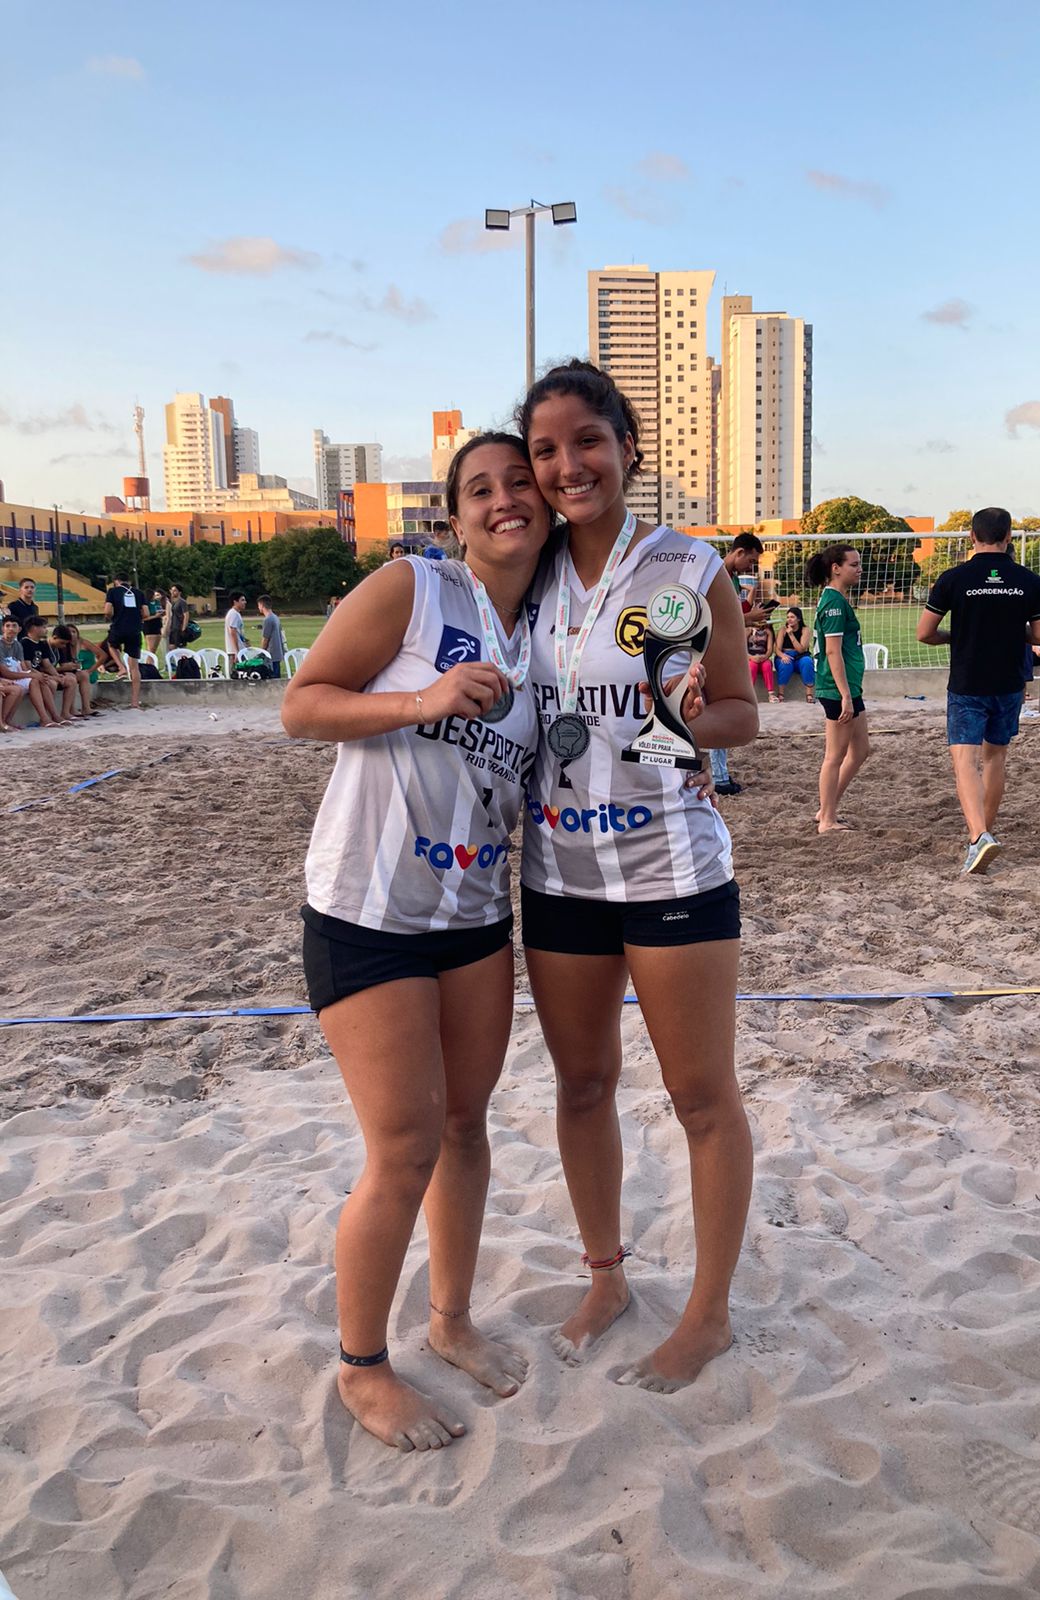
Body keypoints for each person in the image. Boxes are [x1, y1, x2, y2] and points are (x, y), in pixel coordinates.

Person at [281, 432, 549, 1453]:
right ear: (456, 515)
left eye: (519, 482)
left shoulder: (551, 631)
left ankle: (450, 1320)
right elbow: (302, 705)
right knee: (402, 1146)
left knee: (466, 1127)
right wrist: (421, 699)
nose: (503, 499)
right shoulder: (413, 589)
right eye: (480, 488)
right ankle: (362, 1367)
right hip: (368, 910)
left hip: (474, 915)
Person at [517, 358, 758, 1392]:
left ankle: (708, 1314)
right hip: (559, 873)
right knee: (582, 1086)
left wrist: (691, 722)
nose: (567, 465)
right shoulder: (521, 573)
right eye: (545, 449)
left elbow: (742, 714)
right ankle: (606, 1280)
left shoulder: (689, 567)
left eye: (587, 441)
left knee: (700, 1095)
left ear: (627, 447)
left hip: (671, 866)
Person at [917, 506, 1040, 875]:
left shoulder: (954, 578)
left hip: (968, 680)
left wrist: (954, 636)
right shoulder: (1028, 580)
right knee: (995, 759)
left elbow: (924, 633)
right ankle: (982, 833)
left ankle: (978, 836)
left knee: (965, 761)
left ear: (972, 537)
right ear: (1008, 537)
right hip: (1009, 681)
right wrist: (1009, 630)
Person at [809, 545, 870, 832]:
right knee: (834, 755)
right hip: (837, 689)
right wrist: (845, 694)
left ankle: (826, 808)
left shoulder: (836, 599)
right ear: (836, 568)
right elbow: (833, 652)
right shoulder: (833, 602)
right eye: (853, 565)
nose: (859, 569)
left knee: (860, 751)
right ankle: (827, 819)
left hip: (849, 687)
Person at [709, 532, 765, 795]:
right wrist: (748, 618)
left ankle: (719, 773)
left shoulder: (729, 577)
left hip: (722, 652)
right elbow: (715, 618)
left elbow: (733, 613)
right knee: (716, 713)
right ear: (739, 552)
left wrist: (750, 616)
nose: (750, 567)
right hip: (714, 653)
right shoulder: (715, 574)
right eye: (751, 561)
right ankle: (719, 777)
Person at [0, 615, 61, 728]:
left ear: (19, 629)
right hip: (6, 678)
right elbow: (6, 673)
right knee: (30, 682)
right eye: (7, 626)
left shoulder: (17, 645)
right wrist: (33, 675)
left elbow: (24, 668)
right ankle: (4, 721)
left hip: (16, 677)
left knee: (41, 680)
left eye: (14, 626)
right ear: (2, 628)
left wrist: (37, 675)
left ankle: (49, 717)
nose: (11, 629)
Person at [104, 572, 149, 711]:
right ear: (129, 581)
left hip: (119, 627)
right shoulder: (139, 593)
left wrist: (111, 617)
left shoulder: (113, 592)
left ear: (116, 581)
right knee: (134, 666)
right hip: (135, 630)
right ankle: (135, 701)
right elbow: (146, 613)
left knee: (111, 645)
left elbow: (107, 611)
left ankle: (121, 667)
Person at [49, 625, 96, 718]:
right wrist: (61, 671)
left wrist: (72, 665)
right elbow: (45, 668)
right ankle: (67, 711)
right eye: (70, 632)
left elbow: (65, 664)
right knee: (71, 678)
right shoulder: (47, 646)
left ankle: (86, 707)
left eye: (74, 632)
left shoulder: (63, 645)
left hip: (56, 673)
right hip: (49, 674)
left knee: (83, 675)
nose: (64, 645)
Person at [774, 605, 815, 702]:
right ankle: (781, 693)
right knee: (785, 663)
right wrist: (783, 656)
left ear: (799, 619)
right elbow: (777, 649)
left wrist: (791, 634)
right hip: (785, 655)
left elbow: (801, 650)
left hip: (800, 656)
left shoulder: (805, 630)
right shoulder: (782, 630)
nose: (789, 619)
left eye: (792, 617)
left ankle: (809, 694)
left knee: (807, 662)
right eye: (788, 617)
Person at [746, 618, 780, 702]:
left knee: (767, 665)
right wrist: (751, 657)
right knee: (752, 666)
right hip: (751, 657)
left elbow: (769, 649)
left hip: (763, 657)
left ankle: (771, 694)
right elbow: (742, 648)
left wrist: (764, 657)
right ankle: (749, 694)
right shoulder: (747, 631)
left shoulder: (767, 632)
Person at [256, 595, 285, 678]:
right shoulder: (275, 617)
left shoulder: (268, 620)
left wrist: (262, 652)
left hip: (271, 654)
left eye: (258, 605)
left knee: (272, 678)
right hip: (277, 653)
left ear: (262, 605)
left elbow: (265, 639)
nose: (258, 607)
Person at [166, 584, 190, 651]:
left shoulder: (182, 602)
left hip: (179, 628)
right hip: (172, 628)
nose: (172, 592)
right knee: (171, 648)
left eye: (175, 590)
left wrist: (183, 629)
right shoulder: (172, 602)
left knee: (181, 649)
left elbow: (186, 615)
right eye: (172, 590)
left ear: (179, 592)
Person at [143, 589, 166, 659]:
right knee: (150, 648)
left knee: (154, 649)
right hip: (149, 625)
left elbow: (159, 609)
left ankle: (151, 662)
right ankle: (149, 663)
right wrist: (155, 616)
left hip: (158, 624)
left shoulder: (157, 602)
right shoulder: (146, 604)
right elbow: (144, 618)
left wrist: (162, 613)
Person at [224, 593, 248, 659]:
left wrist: (245, 641)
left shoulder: (237, 613)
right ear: (235, 602)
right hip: (234, 652)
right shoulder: (233, 614)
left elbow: (238, 632)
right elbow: (233, 632)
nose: (245, 602)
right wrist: (236, 652)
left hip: (240, 649)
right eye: (242, 600)